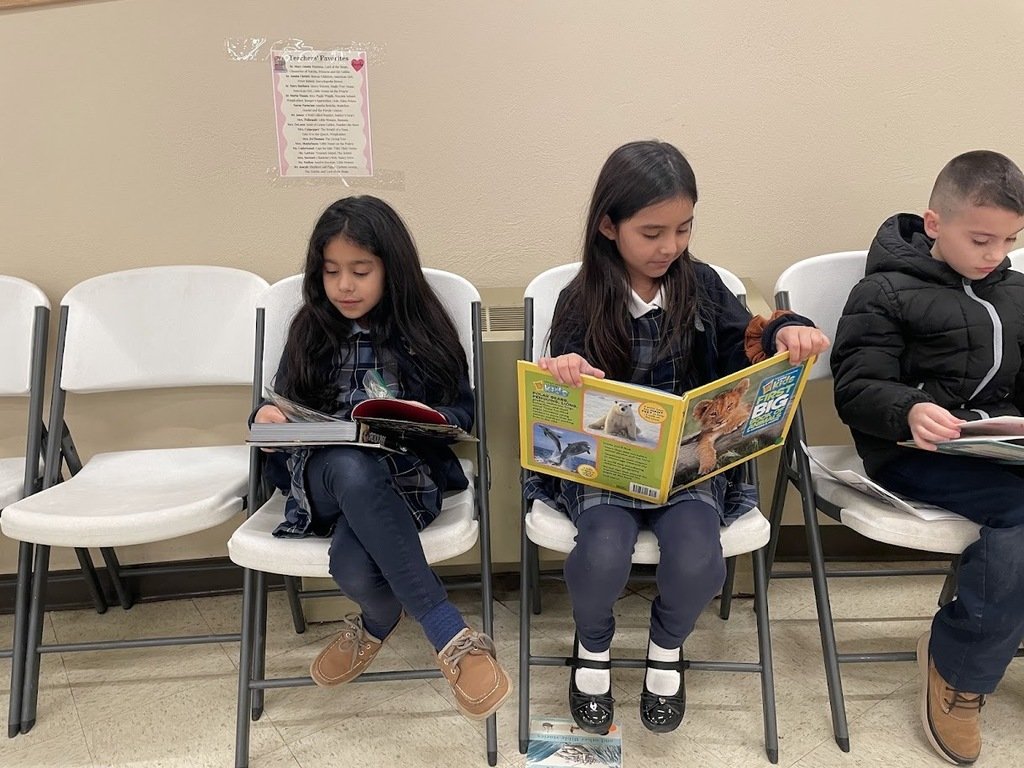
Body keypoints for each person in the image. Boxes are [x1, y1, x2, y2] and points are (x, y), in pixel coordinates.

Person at [525, 140, 829, 734]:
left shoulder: (704, 285)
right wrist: (564, 368)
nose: (670, 247)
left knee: (697, 560)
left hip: (689, 465)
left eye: (683, 229)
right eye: (652, 232)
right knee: (599, 556)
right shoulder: (581, 297)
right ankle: (592, 649)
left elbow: (749, 338)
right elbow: (560, 374)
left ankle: (667, 650)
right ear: (609, 226)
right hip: (607, 469)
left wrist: (789, 332)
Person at [252, 195, 511, 720]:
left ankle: (377, 620)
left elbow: (462, 411)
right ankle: (447, 631)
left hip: (401, 482)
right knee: (350, 463)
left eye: (361, 270)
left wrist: (428, 418)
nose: (344, 285)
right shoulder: (308, 331)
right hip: (321, 479)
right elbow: (279, 404)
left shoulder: (425, 330)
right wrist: (269, 422)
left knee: (351, 565)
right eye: (331, 272)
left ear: (392, 270)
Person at [832, 150, 1024, 765]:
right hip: (912, 452)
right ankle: (959, 667)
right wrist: (909, 409)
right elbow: (856, 386)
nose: (996, 254)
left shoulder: (1015, 292)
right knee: (1022, 514)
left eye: (1011, 240)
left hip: (995, 449)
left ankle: (993, 631)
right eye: (982, 239)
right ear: (935, 223)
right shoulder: (886, 290)